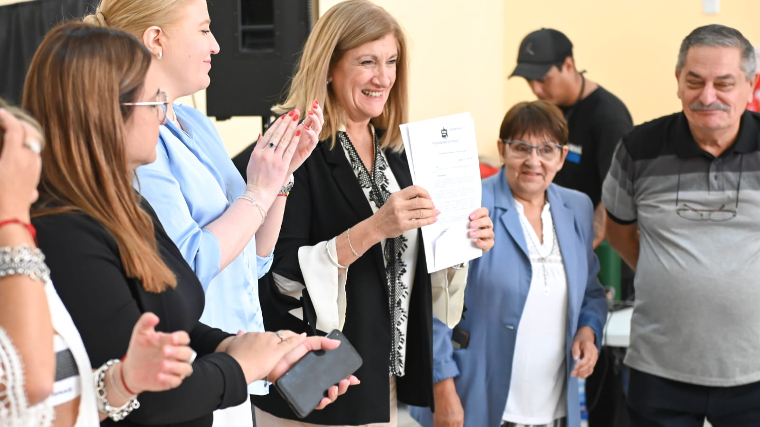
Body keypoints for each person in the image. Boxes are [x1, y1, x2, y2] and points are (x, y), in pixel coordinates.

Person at [24, 22, 350, 427]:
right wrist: (240, 366)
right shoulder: (65, 230)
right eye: (154, 102)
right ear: (105, 114)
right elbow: (141, 392)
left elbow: (169, 317)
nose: (163, 117)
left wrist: (248, 348)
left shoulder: (126, 204)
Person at [252, 1, 495, 425]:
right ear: (330, 67)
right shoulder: (295, 147)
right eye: (367, 62)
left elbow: (406, 270)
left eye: (391, 61)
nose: (383, 77)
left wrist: (463, 242)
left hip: (386, 380)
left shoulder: (399, 153)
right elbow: (278, 276)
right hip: (316, 388)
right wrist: (375, 227)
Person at [409, 101, 607, 427]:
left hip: (556, 406)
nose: (533, 161)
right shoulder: (471, 203)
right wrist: (442, 390)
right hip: (475, 400)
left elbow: (591, 292)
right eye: (521, 148)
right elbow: (434, 302)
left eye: (546, 150)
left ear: (562, 156)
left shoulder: (577, 207)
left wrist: (589, 329)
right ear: (502, 150)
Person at [602, 24, 760, 427]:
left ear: (751, 85)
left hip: (754, 371)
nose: (707, 97)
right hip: (659, 369)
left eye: (723, 83)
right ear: (677, 81)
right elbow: (618, 231)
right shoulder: (638, 149)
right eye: (694, 81)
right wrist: (667, 272)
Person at [0, 101, 194, 427]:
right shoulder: (15, 253)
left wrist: (124, 380)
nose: (31, 200)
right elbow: (32, 384)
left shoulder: (18, 264)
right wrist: (10, 218)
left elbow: (52, 403)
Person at [510, 29, 634, 425]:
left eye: (543, 78)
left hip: (594, 256)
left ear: (569, 65)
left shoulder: (608, 116)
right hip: (545, 245)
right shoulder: (549, 111)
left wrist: (572, 255)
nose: (536, 88)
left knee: (597, 372)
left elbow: (612, 201)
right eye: (529, 80)